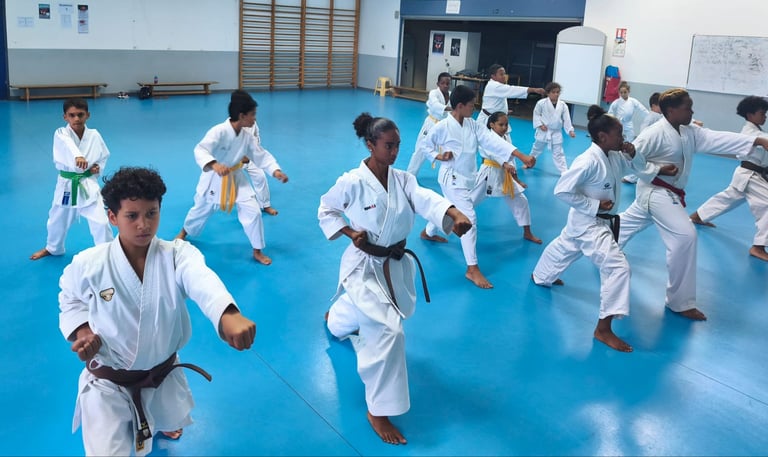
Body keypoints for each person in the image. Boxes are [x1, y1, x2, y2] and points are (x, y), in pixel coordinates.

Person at [58, 167, 256, 456]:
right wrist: (83, 330)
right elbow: (70, 299)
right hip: (109, 382)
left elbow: (202, 280)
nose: (144, 225)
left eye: (152, 213)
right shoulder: (89, 264)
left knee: (167, 417)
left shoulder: (177, 255)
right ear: (112, 217)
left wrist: (227, 314)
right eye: (132, 216)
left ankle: (160, 422)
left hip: (160, 374)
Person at [319, 113, 471, 445]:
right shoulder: (352, 182)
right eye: (389, 145)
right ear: (370, 144)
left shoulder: (403, 180)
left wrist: (452, 213)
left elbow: (426, 199)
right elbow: (326, 209)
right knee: (389, 331)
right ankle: (378, 410)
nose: (395, 151)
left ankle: (335, 320)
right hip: (364, 266)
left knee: (363, 313)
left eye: (398, 145)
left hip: (394, 264)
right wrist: (350, 232)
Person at [618, 88, 768, 320]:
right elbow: (628, 160)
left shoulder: (689, 131)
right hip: (656, 191)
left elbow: (716, 138)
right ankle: (679, 302)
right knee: (685, 237)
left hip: (668, 191)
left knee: (629, 221)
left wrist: (756, 139)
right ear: (671, 110)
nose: (692, 111)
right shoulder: (653, 134)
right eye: (687, 107)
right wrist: (657, 169)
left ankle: (606, 241)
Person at [532, 105, 637, 352]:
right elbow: (561, 190)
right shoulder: (588, 161)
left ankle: (540, 276)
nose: (622, 138)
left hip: (588, 222)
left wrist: (632, 154)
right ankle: (603, 329)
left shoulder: (613, 155)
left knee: (564, 246)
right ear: (603, 137)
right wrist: (594, 205)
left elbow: (634, 169)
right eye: (619, 134)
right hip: (590, 224)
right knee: (619, 268)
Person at [419, 84, 536, 289]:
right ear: (460, 106)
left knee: (450, 208)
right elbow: (425, 145)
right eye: (471, 104)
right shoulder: (443, 127)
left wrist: (521, 155)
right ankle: (472, 268)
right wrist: (438, 156)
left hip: (467, 178)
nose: (474, 107)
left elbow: (493, 142)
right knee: (469, 218)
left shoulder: (473, 125)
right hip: (451, 178)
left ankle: (428, 232)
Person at [176, 90, 289, 265]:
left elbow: (260, 154)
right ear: (242, 116)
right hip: (214, 178)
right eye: (253, 115)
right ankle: (184, 232)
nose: (255, 119)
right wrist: (214, 164)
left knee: (253, 211)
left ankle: (257, 251)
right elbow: (200, 149)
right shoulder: (219, 131)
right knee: (201, 209)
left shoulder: (246, 136)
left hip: (236, 177)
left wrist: (275, 170)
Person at [30, 98, 114, 260]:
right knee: (57, 219)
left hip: (88, 184)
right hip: (67, 185)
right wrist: (78, 156)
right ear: (65, 117)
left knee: (101, 222)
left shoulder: (94, 135)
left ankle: (107, 253)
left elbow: (104, 155)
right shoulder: (61, 133)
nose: (76, 119)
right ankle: (53, 248)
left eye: (80, 114)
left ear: (87, 115)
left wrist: (97, 166)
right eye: (72, 115)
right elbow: (67, 144)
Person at [689, 95, 768, 261]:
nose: (765, 116)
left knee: (727, 198)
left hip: (747, 175)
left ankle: (697, 216)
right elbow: (758, 141)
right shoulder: (750, 133)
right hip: (750, 176)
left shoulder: (758, 132)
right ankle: (758, 246)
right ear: (750, 115)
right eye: (762, 113)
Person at [477, 111, 541, 244]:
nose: (504, 127)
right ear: (492, 125)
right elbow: (491, 153)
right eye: (501, 125)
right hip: (488, 173)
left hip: (505, 175)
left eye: (506, 124)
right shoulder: (486, 137)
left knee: (522, 201)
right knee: (468, 201)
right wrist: (504, 163)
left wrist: (517, 180)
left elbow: (511, 157)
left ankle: (527, 232)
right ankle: (443, 220)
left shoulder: (506, 137)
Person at [406, 72, 452, 176]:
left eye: (448, 83)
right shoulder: (433, 93)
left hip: (444, 126)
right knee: (421, 149)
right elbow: (435, 105)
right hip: (431, 123)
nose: (445, 85)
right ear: (438, 84)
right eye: (443, 83)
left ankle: (447, 176)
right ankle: (410, 175)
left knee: (447, 151)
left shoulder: (451, 95)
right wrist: (452, 109)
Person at [527, 82, 576, 174]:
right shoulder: (541, 103)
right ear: (548, 93)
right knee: (536, 149)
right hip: (543, 130)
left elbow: (567, 119)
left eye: (558, 92)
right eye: (553, 92)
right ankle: (528, 162)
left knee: (558, 153)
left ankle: (564, 171)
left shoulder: (563, 105)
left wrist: (570, 130)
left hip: (556, 132)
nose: (556, 94)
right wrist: (540, 125)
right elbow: (536, 114)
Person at [476, 64, 546, 128]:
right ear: (493, 76)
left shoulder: (497, 85)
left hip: (498, 118)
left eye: (504, 74)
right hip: (488, 121)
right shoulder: (494, 86)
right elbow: (512, 90)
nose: (504, 76)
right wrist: (533, 90)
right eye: (501, 74)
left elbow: (496, 102)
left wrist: (504, 110)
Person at [242, 120, 285, 216]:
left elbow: (256, 137)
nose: (254, 118)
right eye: (251, 115)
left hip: (250, 156)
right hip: (233, 161)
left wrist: (253, 151)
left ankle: (265, 205)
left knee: (260, 177)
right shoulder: (230, 128)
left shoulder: (252, 123)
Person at [608, 82, 649, 184]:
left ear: (628, 91)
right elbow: (610, 114)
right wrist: (612, 123)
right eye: (621, 92)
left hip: (629, 127)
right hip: (618, 126)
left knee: (630, 149)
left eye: (625, 92)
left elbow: (642, 109)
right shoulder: (616, 103)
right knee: (617, 149)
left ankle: (631, 176)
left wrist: (650, 117)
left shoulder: (633, 101)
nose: (623, 94)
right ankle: (615, 169)